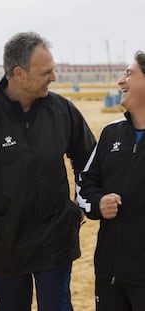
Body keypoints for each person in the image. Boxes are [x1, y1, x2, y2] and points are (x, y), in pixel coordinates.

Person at [0, 32, 96, 310]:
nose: (53, 77)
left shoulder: (63, 111)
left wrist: (78, 209)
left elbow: (90, 162)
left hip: (56, 242)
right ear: (19, 74)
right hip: (7, 247)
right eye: (46, 72)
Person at [77, 51, 145, 310]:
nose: (120, 81)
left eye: (129, 73)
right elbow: (84, 184)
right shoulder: (110, 133)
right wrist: (97, 204)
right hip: (109, 275)